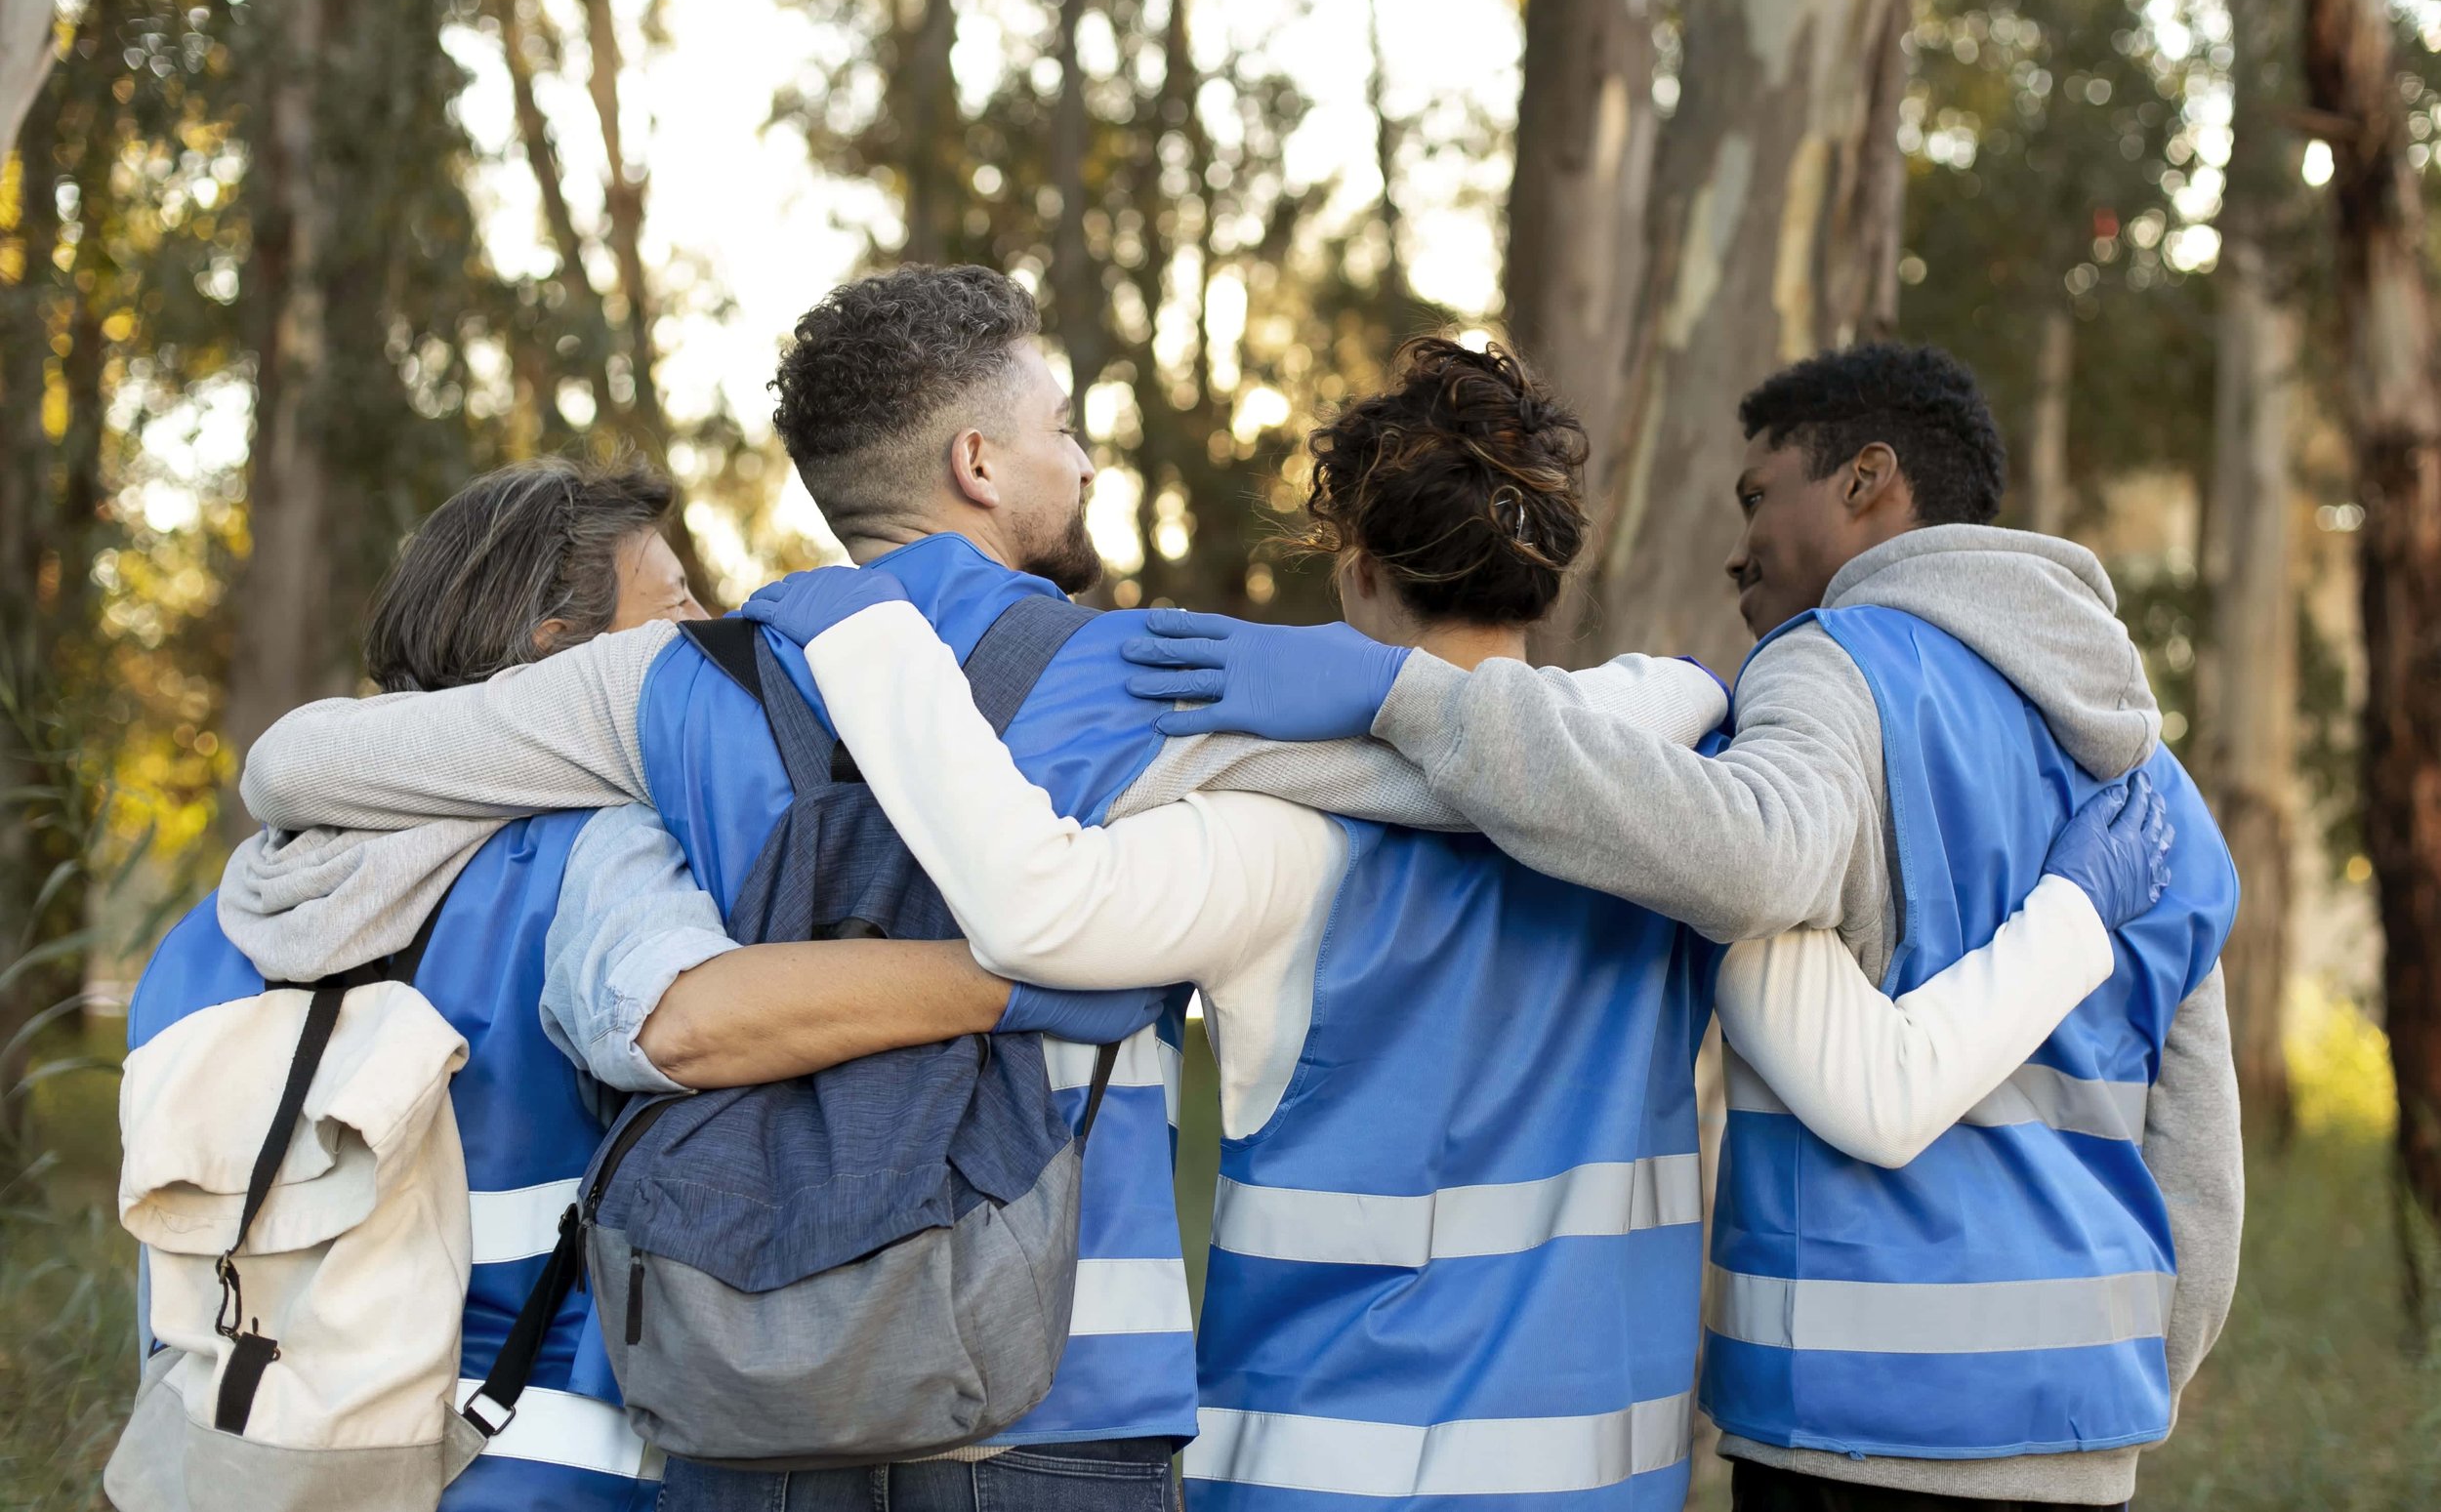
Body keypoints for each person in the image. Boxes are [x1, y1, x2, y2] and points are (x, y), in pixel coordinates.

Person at [236, 318, 2168, 1510]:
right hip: (1595, 1466)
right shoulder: (1677, 766)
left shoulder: (1251, 821)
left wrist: (870, 646)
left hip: (1294, 1460)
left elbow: (1034, 893)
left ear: (1344, 567)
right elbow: (1841, 1032)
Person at [1119, 343, 2243, 1512]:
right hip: (2085, 1434)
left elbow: (1745, 851)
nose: (1737, 544)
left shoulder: (1826, 673)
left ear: (1866, 482)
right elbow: (2201, 1164)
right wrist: (2119, 1392)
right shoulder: (2150, 782)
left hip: (1847, 1422)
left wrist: (1383, 707)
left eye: (1759, 497)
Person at [125, 460, 1152, 1512]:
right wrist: (1024, 980)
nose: (708, 640)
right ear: (555, 654)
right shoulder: (581, 856)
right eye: (673, 614)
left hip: (245, 1459)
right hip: (523, 1465)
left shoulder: (216, 927)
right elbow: (687, 1021)